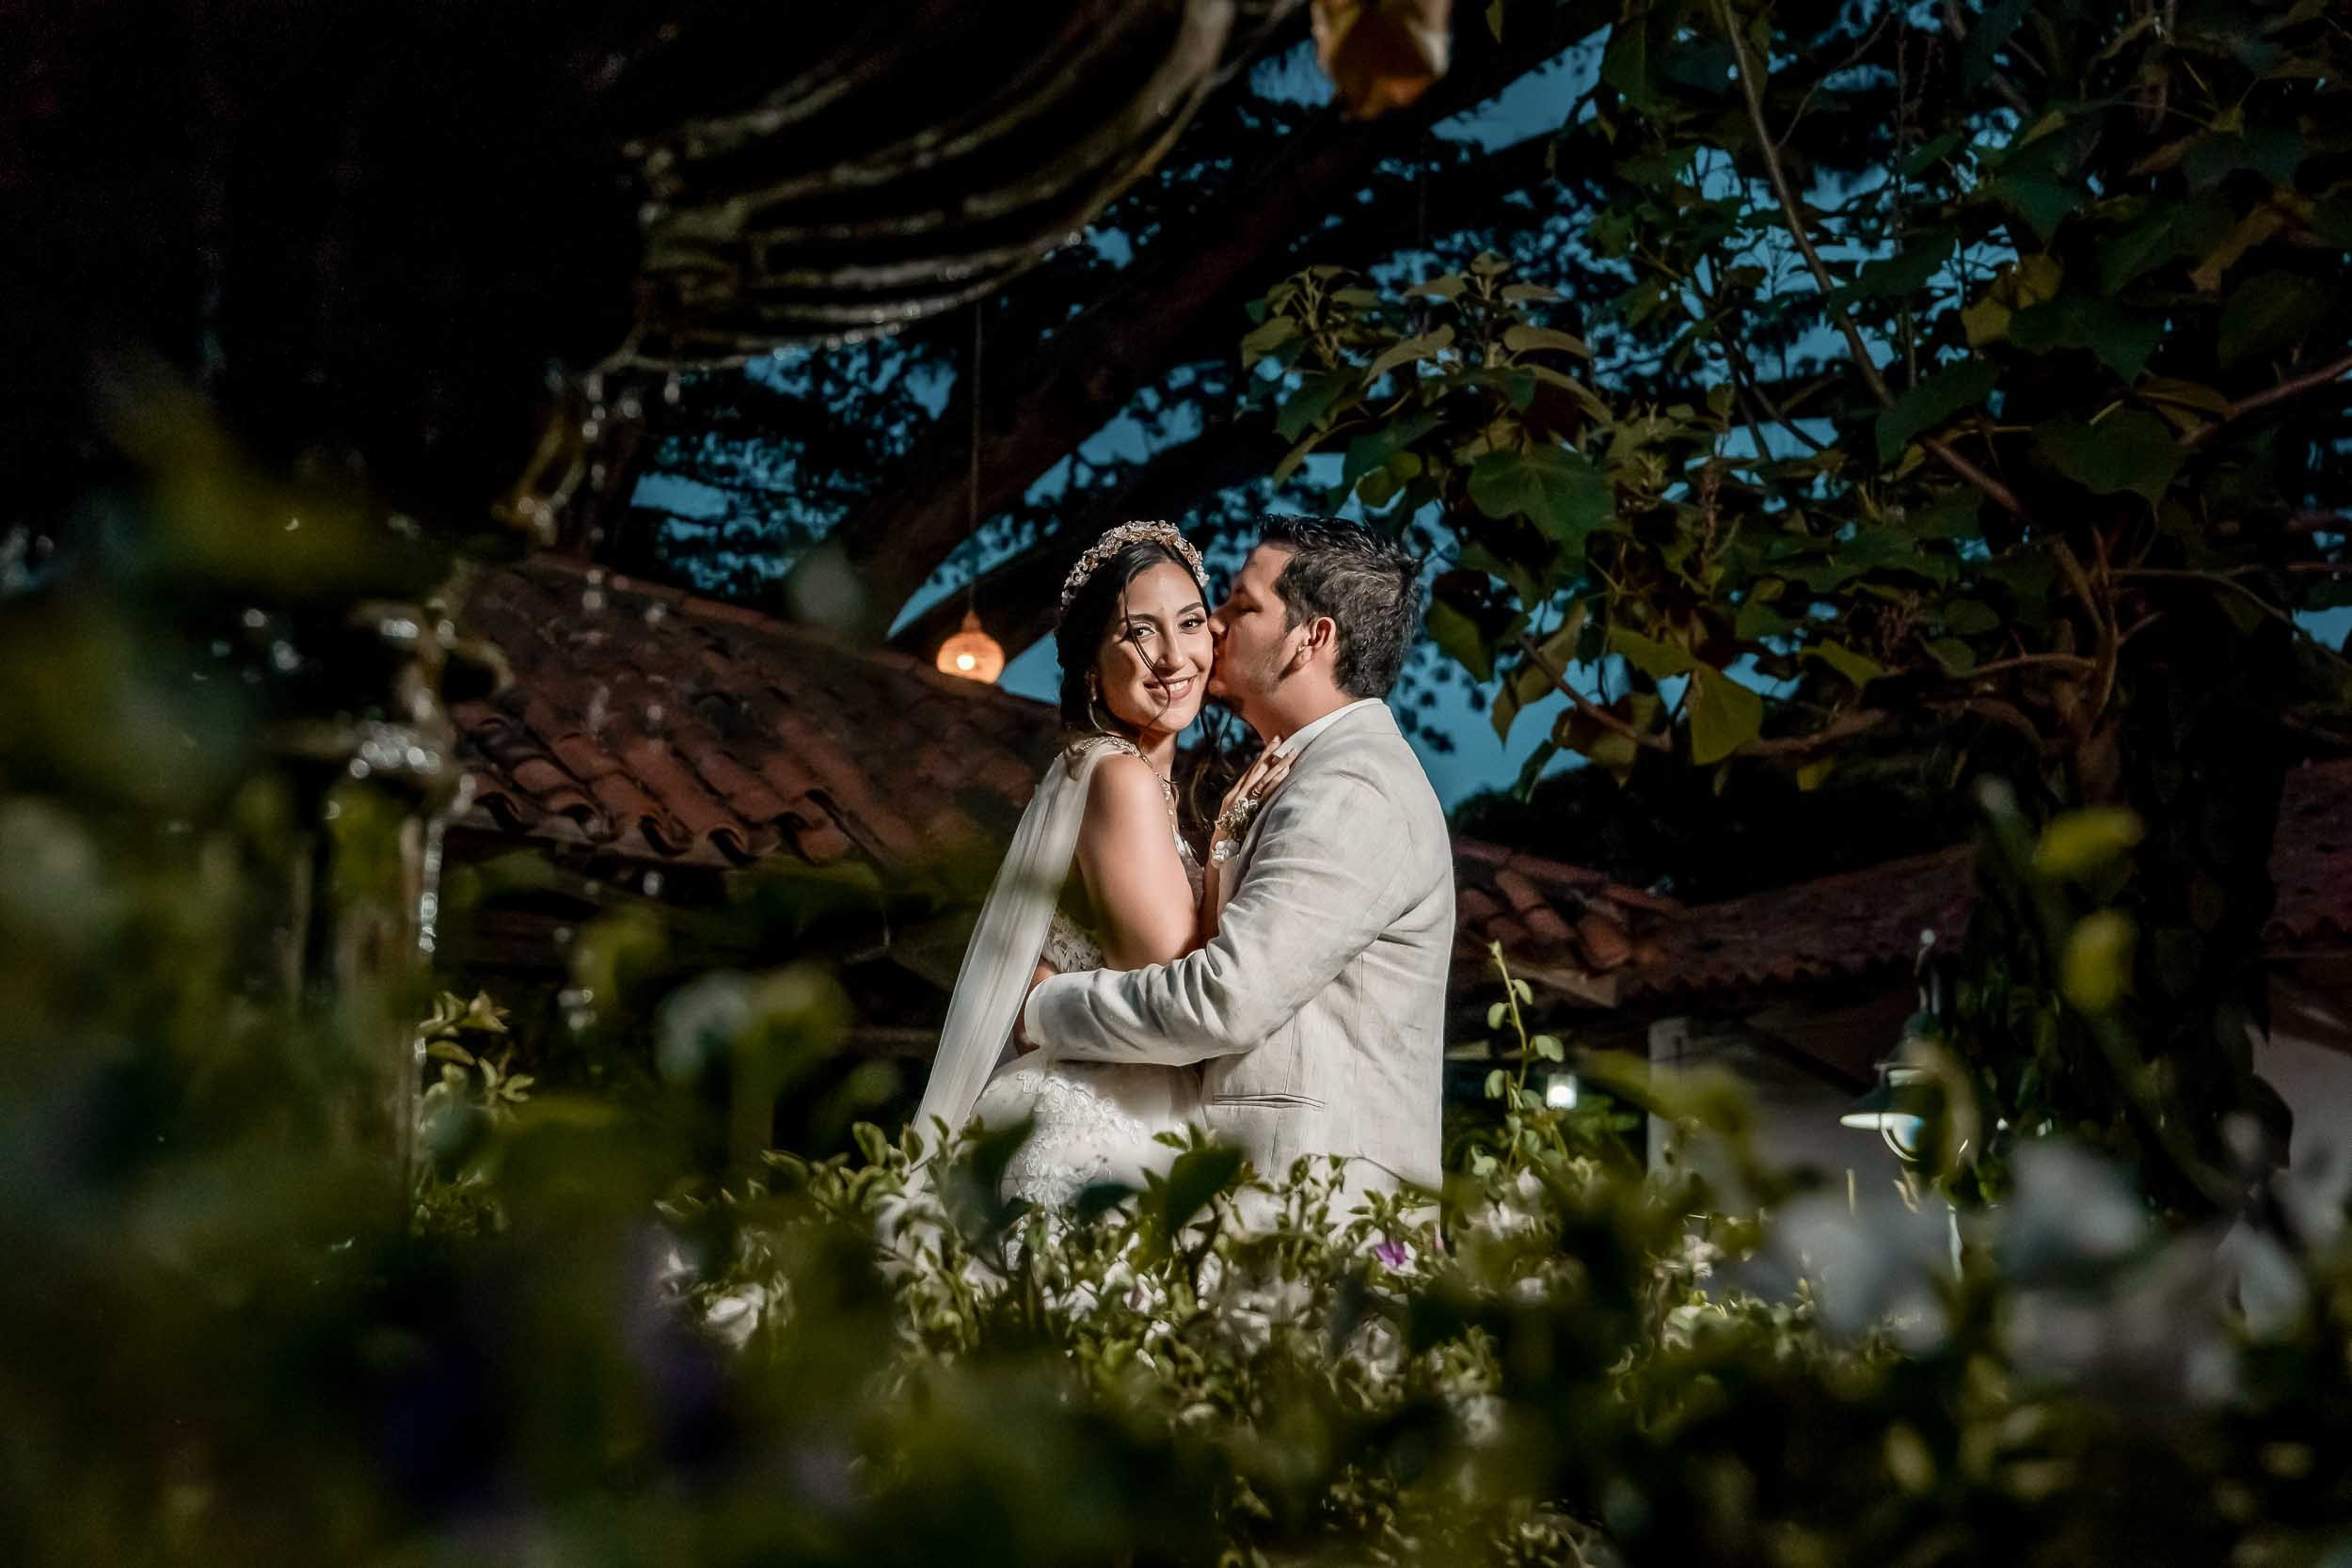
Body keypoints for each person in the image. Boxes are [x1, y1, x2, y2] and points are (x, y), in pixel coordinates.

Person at [1017, 516, 1453, 1210]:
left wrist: (1043, 1007)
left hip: (1311, 1202)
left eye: (1241, 606)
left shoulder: (1353, 786)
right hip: (1229, 1183)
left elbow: (1222, 998)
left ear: (1312, 638)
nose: (1214, 626)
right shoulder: (1302, 775)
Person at [913, 520, 1293, 1208]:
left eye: (1190, 623)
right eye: (1139, 632)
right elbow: (1179, 991)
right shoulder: (1118, 778)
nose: (1173, 657)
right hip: (1096, 1135)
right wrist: (1232, 836)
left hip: (1129, 1116)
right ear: (1092, 666)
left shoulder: (1120, 778)